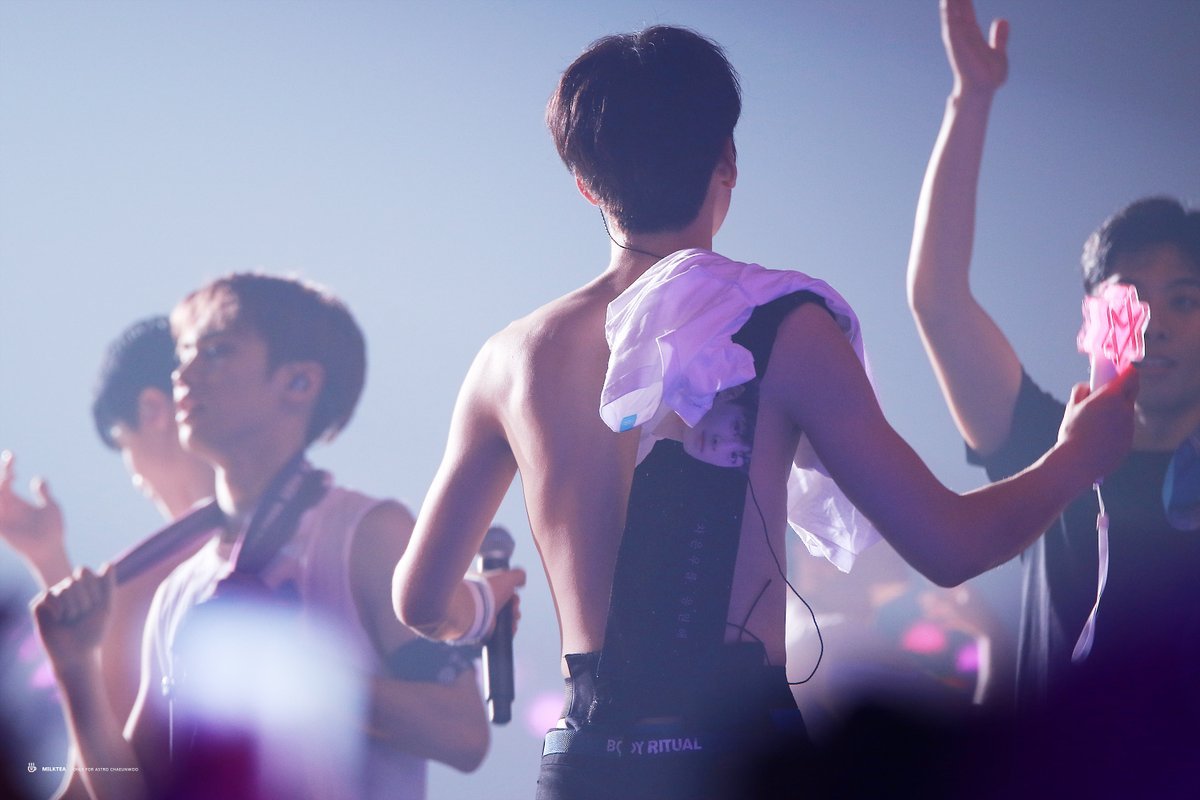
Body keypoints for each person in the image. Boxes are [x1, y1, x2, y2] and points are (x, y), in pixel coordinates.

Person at [393, 24, 1136, 800]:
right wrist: (1076, 458)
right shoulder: (783, 327)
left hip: (586, 765)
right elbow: (951, 546)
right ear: (727, 159)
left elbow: (418, 602)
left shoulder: (510, 359)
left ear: (585, 183)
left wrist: (479, 605)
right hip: (734, 758)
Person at [33, 274, 503, 800]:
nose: (183, 374)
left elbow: (462, 734)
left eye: (216, 351)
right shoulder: (182, 589)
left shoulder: (368, 534)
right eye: (183, 355)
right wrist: (74, 667)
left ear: (299, 383)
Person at [1, 317, 215, 798]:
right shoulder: (308, 528)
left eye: (122, 444)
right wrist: (49, 559)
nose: (134, 475)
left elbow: (97, 784)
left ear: (153, 410)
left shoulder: (142, 582)